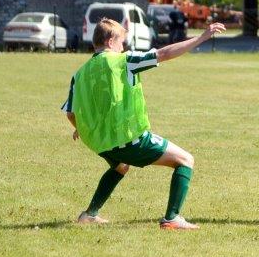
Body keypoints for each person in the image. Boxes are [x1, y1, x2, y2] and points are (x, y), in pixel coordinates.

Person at [62, 17, 226, 230]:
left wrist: (80, 128)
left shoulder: (79, 74)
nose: (123, 47)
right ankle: (172, 218)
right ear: (110, 41)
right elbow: (163, 54)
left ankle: (89, 215)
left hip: (101, 144)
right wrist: (201, 37)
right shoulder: (125, 61)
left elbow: (71, 113)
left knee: (120, 167)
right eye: (121, 41)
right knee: (186, 160)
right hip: (129, 139)